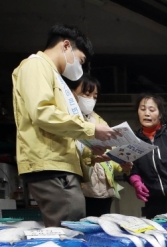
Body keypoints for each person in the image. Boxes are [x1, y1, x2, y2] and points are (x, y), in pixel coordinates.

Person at [12, 24, 117, 227]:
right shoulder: (35, 66)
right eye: (81, 60)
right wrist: (92, 129)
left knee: (72, 226)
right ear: (66, 45)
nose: (79, 67)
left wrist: (90, 155)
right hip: (51, 166)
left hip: (60, 165)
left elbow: (63, 133)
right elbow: (43, 113)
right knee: (68, 231)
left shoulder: (55, 77)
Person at [68, 74, 133, 217]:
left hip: (104, 190)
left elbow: (111, 154)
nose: (91, 99)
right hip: (82, 188)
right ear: (72, 93)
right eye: (86, 94)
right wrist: (93, 157)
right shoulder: (68, 121)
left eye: (95, 96)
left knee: (101, 229)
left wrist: (122, 165)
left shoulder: (99, 121)